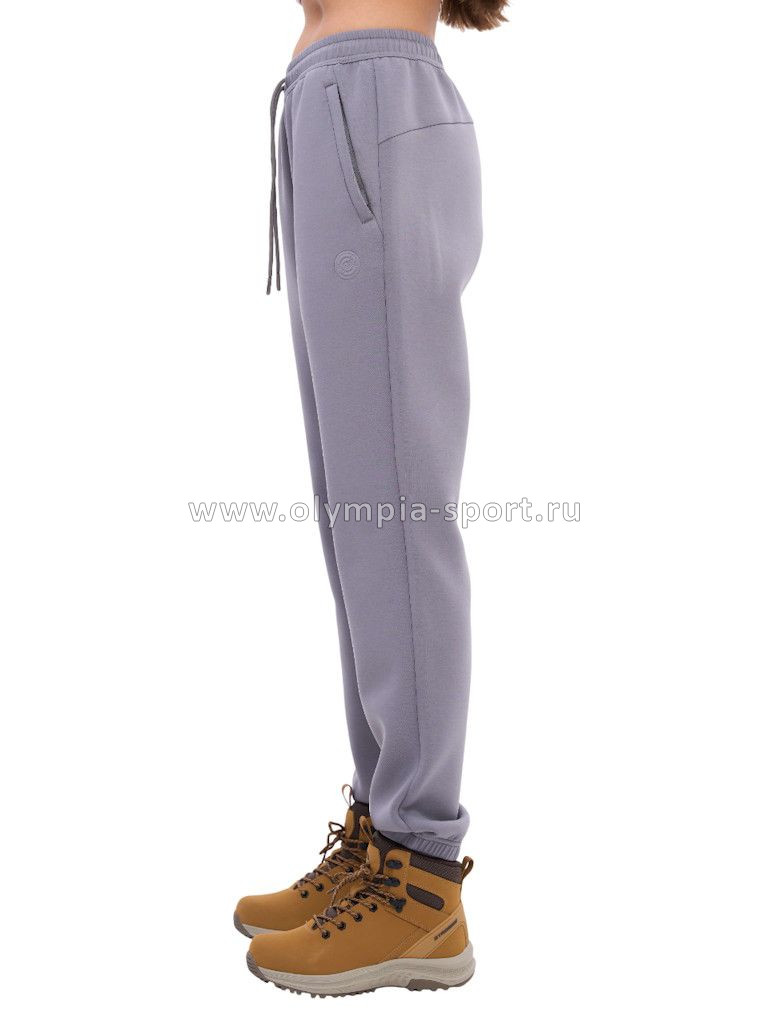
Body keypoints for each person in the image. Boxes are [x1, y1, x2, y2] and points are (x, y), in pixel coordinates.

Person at [235, 0, 507, 997]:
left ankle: (421, 877)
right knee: (356, 519)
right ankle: (381, 839)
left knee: (394, 515)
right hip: (332, 102)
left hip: (371, 100)